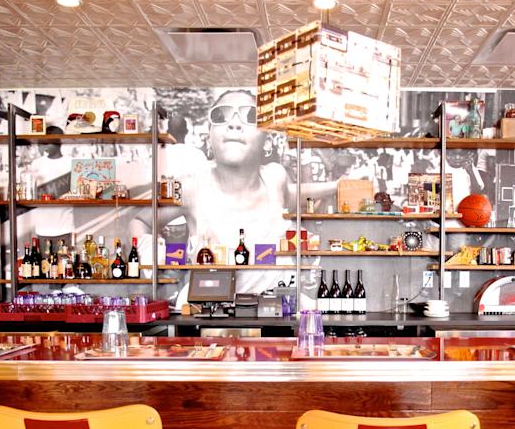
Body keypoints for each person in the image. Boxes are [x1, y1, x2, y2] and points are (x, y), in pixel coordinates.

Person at [131, 89, 359, 298]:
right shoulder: (191, 187)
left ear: (267, 140)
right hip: (211, 318)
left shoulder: (275, 177)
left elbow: (291, 194)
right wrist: (149, 249)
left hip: (274, 317)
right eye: (221, 115)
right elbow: (140, 221)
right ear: (210, 135)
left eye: (250, 116)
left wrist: (336, 186)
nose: (234, 124)